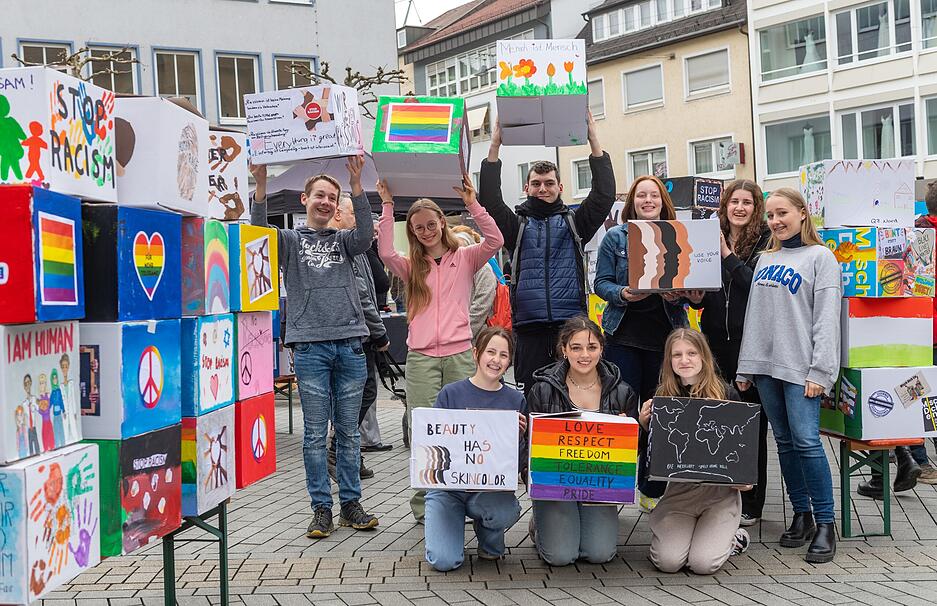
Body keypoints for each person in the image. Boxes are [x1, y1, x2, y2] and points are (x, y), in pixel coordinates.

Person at [250, 156, 379, 539]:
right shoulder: (290, 241)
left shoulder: (344, 240)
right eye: (319, 195)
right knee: (312, 433)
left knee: (349, 433)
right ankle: (321, 508)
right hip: (309, 347)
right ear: (305, 199)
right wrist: (260, 187)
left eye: (332, 198)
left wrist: (356, 186)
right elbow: (259, 232)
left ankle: (351, 505)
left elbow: (365, 233)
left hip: (350, 343)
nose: (325, 202)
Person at [377, 173, 504, 523]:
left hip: (460, 353)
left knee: (464, 428)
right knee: (423, 429)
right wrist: (388, 206)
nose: (425, 231)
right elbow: (385, 250)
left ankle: (464, 497)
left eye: (430, 224)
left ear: (441, 224)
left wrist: (472, 204)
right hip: (421, 358)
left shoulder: (465, 258)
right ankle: (425, 505)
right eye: (418, 227)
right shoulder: (410, 266)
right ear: (413, 231)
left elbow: (496, 239)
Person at [736, 187, 841, 564]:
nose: (776, 221)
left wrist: (821, 371)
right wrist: (746, 366)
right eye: (771, 216)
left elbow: (827, 320)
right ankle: (802, 514)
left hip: (803, 371)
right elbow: (757, 318)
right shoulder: (766, 258)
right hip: (766, 368)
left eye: (782, 213)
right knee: (783, 442)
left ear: (801, 212)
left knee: (808, 442)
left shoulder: (821, 258)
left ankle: (826, 523)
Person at [478, 113, 615, 394]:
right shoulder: (516, 225)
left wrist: (593, 140)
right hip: (529, 327)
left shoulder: (576, 222)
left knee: (573, 393)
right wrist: (494, 147)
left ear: (560, 187)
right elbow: (490, 200)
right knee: (533, 395)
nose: (543, 188)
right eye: (537, 184)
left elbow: (604, 195)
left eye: (549, 183)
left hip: (571, 325)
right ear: (527, 187)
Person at [637, 329, 751, 574]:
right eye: (676, 355)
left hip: (719, 495)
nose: (684, 360)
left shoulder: (727, 395)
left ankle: (734, 537)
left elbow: (743, 450)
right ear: (669, 361)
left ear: (704, 358)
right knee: (668, 562)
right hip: (679, 493)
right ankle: (689, 534)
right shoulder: (662, 396)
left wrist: (745, 480)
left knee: (703, 563)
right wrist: (646, 427)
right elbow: (652, 464)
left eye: (691, 353)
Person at [526, 316, 638, 566]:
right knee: (561, 556)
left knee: (600, 554)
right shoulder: (543, 390)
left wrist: (629, 431)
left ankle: (573, 523)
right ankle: (540, 524)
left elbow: (631, 456)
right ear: (564, 350)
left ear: (602, 349)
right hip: (556, 488)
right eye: (576, 347)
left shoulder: (623, 392)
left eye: (592, 347)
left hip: (598, 487)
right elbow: (529, 447)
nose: (584, 355)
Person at [696, 180, 771, 526]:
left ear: (757, 208)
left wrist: (727, 256)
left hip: (751, 342)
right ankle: (722, 492)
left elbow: (755, 284)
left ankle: (753, 500)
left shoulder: (766, 243)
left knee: (752, 422)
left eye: (747, 203)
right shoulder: (710, 236)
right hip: (713, 340)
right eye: (734, 202)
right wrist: (693, 296)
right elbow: (704, 284)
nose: (739, 208)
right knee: (719, 419)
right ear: (724, 206)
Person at [423, 326, 526, 571]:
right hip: (449, 489)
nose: (496, 360)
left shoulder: (515, 400)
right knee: (444, 560)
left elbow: (517, 462)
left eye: (503, 355)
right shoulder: (451, 393)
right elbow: (434, 448)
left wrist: (519, 437)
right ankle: (448, 524)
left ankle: (487, 535)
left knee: (504, 510)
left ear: (509, 361)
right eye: (491, 352)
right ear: (475, 354)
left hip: (488, 489)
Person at [593, 175, 694, 403]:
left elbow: (690, 284)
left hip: (666, 337)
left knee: (660, 408)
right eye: (641, 195)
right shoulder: (615, 237)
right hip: (623, 336)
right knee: (623, 406)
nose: (648, 200)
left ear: (662, 201)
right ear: (633, 202)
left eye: (654, 195)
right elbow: (601, 283)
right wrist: (622, 294)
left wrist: (677, 297)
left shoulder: (680, 235)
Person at [326, 193, 391, 480]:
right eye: (354, 214)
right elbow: (362, 294)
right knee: (361, 393)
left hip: (357, 331)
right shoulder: (346, 246)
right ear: (339, 213)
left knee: (357, 395)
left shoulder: (357, 245)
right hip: (356, 333)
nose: (360, 221)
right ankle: (339, 448)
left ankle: (349, 453)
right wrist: (379, 332)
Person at [912, 181, 937, 484]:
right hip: (928, 329)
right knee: (926, 396)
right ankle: (919, 459)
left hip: (918, 328)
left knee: (922, 394)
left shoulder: (916, 235)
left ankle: (919, 459)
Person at [451, 224, 498, 340]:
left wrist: (462, 334)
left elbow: (481, 306)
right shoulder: (451, 270)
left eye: (461, 247)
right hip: (455, 335)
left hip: (476, 336)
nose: (458, 252)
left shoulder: (483, 268)